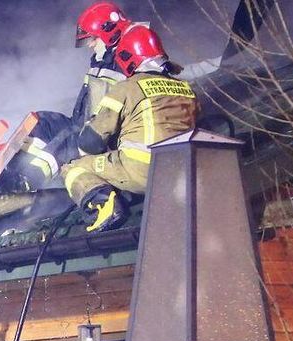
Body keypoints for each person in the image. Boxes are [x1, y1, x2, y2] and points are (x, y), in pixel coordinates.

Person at [61, 25, 200, 232]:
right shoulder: (186, 89)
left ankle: (105, 208)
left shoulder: (127, 88)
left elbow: (90, 142)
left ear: (128, 58)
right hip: (180, 171)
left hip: (142, 169)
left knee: (72, 168)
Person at [3, 2, 134, 192]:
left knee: (62, 142)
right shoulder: (102, 60)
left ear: (109, 33)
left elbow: (112, 117)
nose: (89, 44)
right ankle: (9, 174)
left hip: (100, 138)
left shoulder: (125, 62)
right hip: (83, 126)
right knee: (41, 122)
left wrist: (88, 135)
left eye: (93, 39)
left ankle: (25, 185)